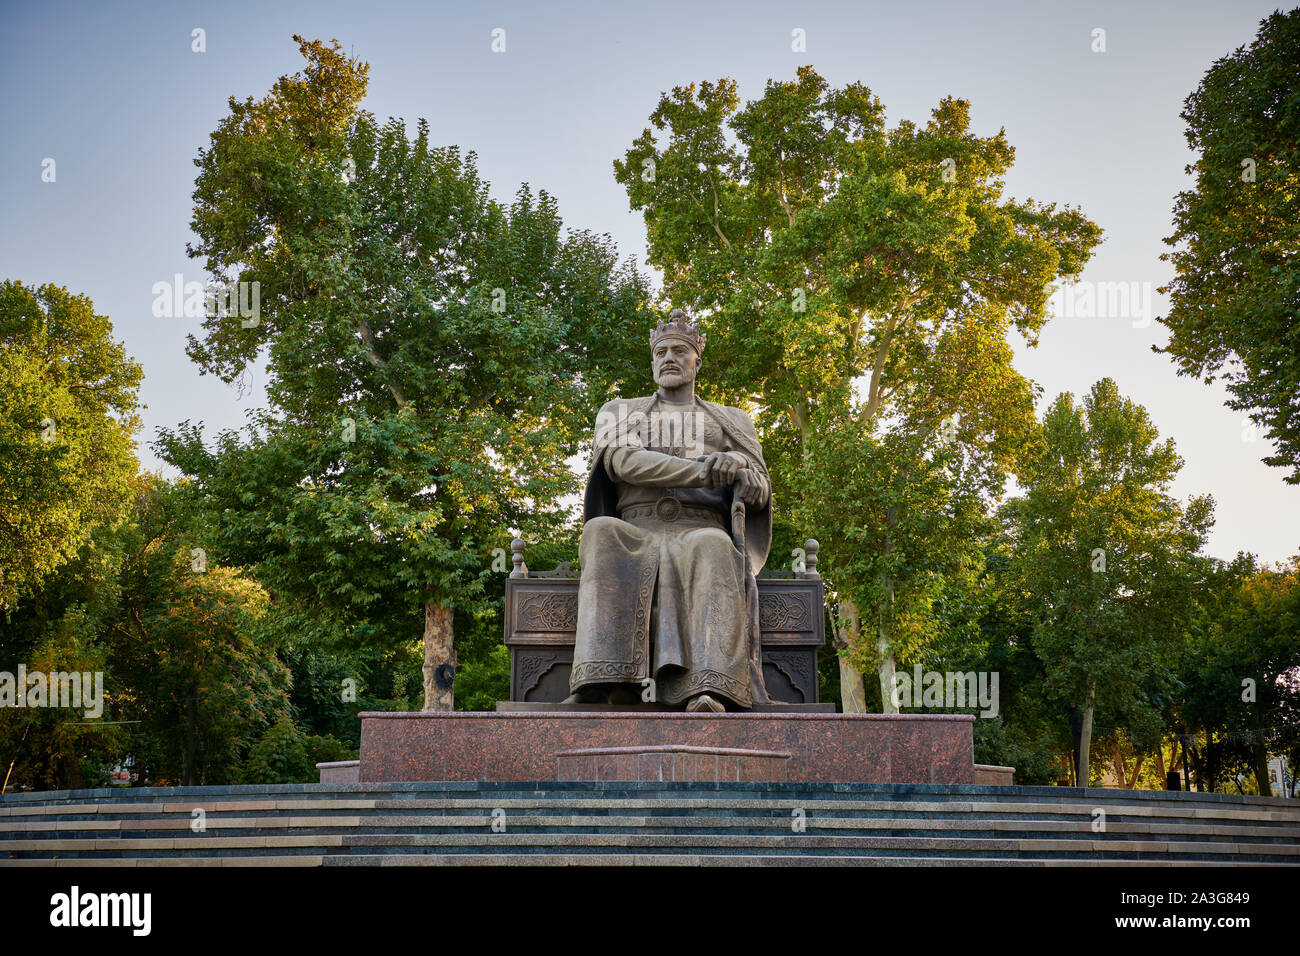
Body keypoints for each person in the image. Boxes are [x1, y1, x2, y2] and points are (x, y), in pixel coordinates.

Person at [566, 310, 772, 712]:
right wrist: (706, 472)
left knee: (713, 546)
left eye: (680, 350)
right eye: (661, 352)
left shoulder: (731, 420)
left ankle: (710, 689)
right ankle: (605, 677)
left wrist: (740, 472)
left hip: (702, 527)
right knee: (601, 532)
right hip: (636, 528)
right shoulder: (620, 410)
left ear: (698, 360)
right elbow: (624, 462)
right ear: (652, 362)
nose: (669, 358)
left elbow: (760, 490)